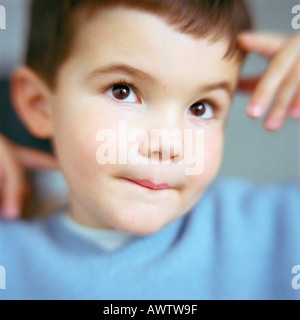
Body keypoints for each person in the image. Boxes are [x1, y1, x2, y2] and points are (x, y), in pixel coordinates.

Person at [0, 0, 300, 300]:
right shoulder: (10, 263)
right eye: (123, 91)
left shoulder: (276, 230)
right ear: (39, 105)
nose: (167, 145)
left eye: (200, 107)